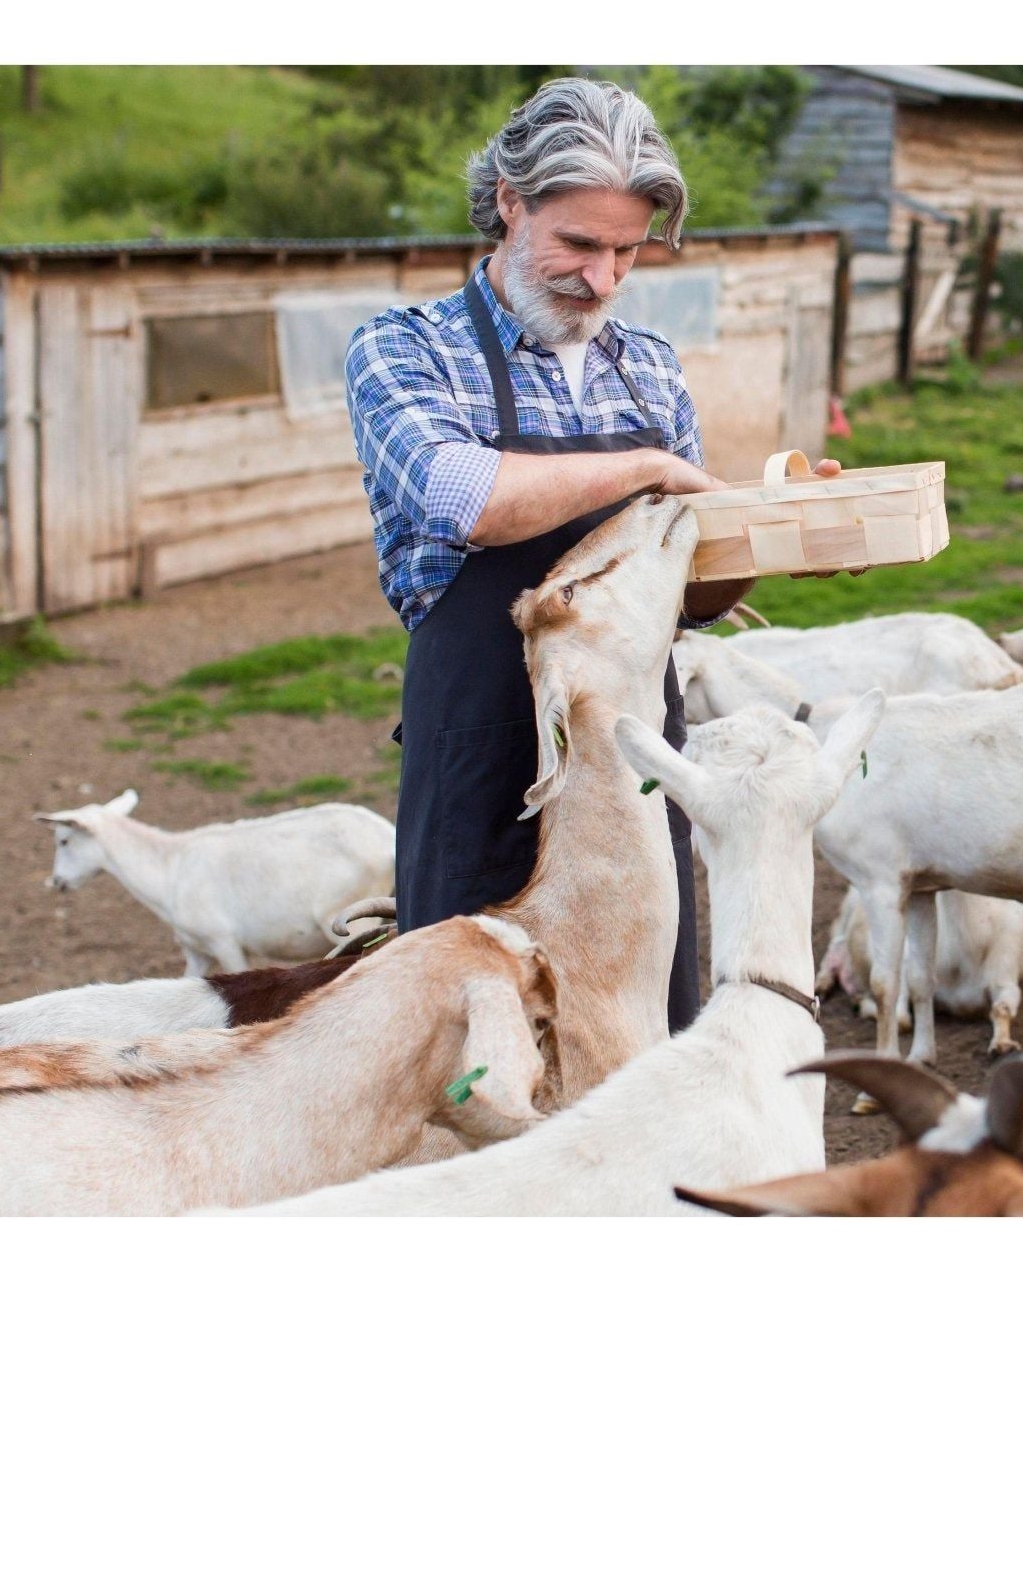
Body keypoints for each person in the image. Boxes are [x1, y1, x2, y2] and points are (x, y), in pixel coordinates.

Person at [345, 76, 835, 1031]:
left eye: (626, 252)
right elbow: (467, 499)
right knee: (474, 1038)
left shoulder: (647, 365)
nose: (603, 279)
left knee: (642, 1026)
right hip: (483, 749)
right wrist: (647, 466)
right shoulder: (405, 350)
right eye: (579, 244)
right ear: (509, 203)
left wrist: (781, 534)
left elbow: (693, 591)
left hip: (635, 757)